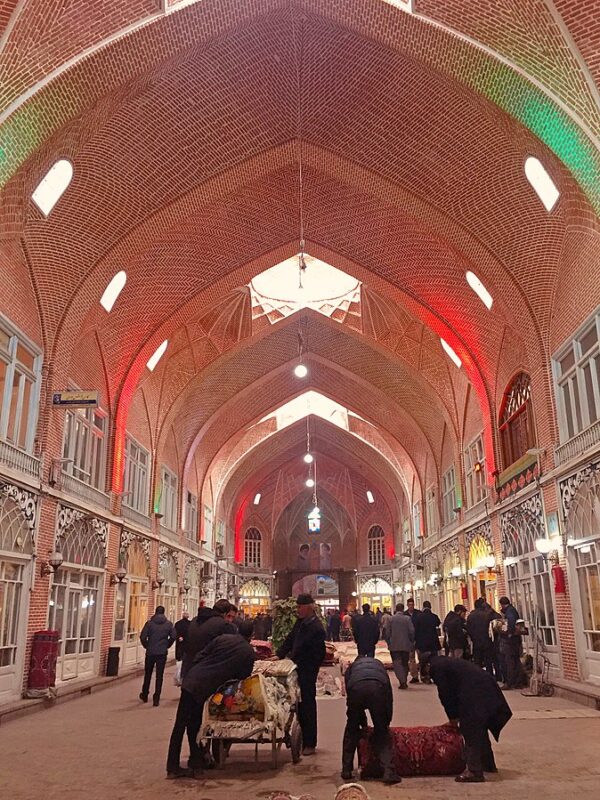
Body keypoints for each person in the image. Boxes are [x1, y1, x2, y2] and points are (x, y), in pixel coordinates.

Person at [166, 621, 256, 779]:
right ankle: (179, 766)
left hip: (192, 680)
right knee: (193, 725)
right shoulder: (248, 651)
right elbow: (243, 678)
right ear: (251, 635)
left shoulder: (222, 639)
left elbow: (200, 656)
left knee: (183, 725)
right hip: (205, 687)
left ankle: (192, 763)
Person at [430, 656, 512, 783]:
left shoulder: (437, 668)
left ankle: (474, 771)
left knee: (471, 729)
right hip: (485, 690)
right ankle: (487, 764)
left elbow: (445, 694)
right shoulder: (445, 662)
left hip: (477, 694)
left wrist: (453, 718)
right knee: (480, 728)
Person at [275, 593, 326, 755]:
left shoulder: (316, 628)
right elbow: (290, 639)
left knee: (307, 704)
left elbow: (319, 654)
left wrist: (306, 667)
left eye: (300, 606)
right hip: (297, 668)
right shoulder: (301, 622)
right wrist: (279, 654)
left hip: (307, 671)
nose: (297, 609)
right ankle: (302, 737)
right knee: (298, 704)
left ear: (309, 607)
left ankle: (310, 742)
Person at [341, 656, 400, 785]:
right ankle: (388, 771)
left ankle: (346, 769)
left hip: (356, 688)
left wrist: (360, 723)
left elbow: (350, 697)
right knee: (382, 733)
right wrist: (385, 723)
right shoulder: (380, 667)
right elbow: (388, 698)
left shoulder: (351, 669)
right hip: (378, 688)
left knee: (351, 729)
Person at [182, 599, 237, 677]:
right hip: (208, 672)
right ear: (225, 613)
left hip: (189, 669)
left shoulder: (195, 620)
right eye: (228, 616)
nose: (230, 620)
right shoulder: (223, 625)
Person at [139, 605, 176, 706]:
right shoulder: (168, 624)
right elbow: (173, 636)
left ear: (155, 612)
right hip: (162, 653)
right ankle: (157, 698)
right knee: (159, 676)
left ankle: (145, 694)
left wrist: (147, 645)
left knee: (148, 674)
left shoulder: (149, 624)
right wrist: (167, 645)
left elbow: (143, 637)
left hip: (150, 652)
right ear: (164, 612)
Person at [385, 602, 414, 689]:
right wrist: (411, 641)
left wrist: (388, 642)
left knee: (397, 663)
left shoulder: (391, 619)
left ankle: (402, 681)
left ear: (396, 609)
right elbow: (412, 631)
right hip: (405, 645)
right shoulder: (407, 619)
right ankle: (404, 679)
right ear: (402, 609)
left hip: (394, 645)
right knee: (405, 663)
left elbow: (387, 632)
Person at [412, 600, 441, 683]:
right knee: (433, 660)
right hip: (433, 642)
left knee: (423, 660)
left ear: (423, 607)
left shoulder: (418, 617)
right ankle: (433, 675)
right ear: (430, 607)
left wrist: (415, 640)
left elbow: (415, 629)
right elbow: (438, 624)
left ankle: (424, 675)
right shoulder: (434, 616)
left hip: (422, 643)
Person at [499, 596, 524, 689]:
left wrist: (509, 633)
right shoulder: (512, 610)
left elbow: (511, 621)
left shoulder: (509, 612)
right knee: (515, 661)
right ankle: (518, 681)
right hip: (515, 640)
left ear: (502, 604)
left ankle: (510, 682)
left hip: (511, 641)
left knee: (510, 661)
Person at [467, 598, 495, 674]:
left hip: (476, 642)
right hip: (486, 641)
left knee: (477, 661)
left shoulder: (470, 616)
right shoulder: (486, 615)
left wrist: (473, 638)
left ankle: (478, 677)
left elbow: (468, 629)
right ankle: (490, 676)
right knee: (488, 661)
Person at [404, 598, 421, 683]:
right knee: (411, 658)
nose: (411, 606)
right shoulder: (405, 615)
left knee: (421, 657)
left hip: (418, 639)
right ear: (407, 605)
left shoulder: (418, 614)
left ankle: (423, 674)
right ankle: (414, 676)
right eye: (409, 605)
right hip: (409, 640)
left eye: (412, 605)